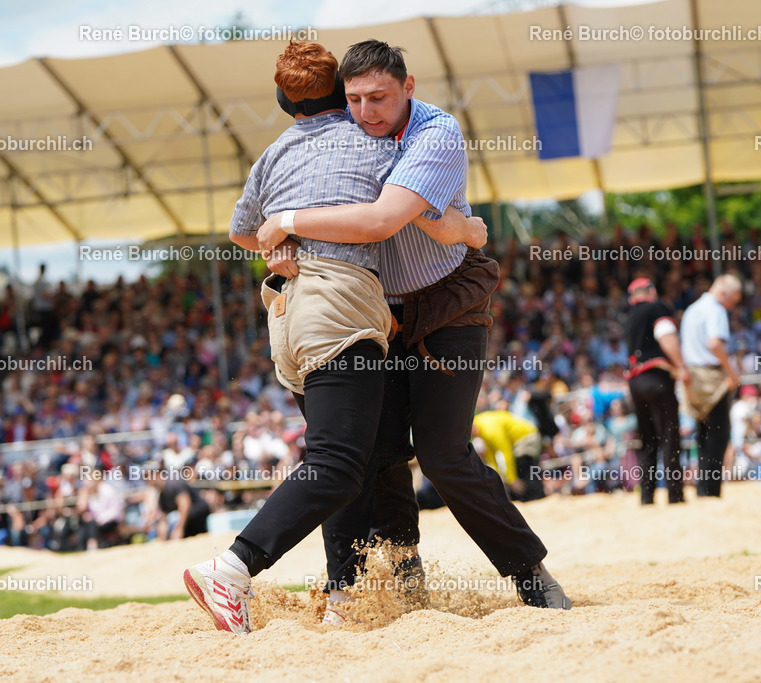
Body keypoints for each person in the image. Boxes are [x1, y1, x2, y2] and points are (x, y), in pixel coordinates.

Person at [257, 40, 569, 617]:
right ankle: (403, 581)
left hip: (447, 300)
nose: (366, 111)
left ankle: (529, 572)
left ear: (409, 87)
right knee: (377, 453)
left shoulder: (436, 133)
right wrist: (282, 244)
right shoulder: (343, 137)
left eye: (379, 97)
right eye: (354, 99)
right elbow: (263, 217)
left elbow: (381, 219)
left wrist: (289, 221)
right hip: (377, 308)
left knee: (442, 452)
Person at [183, 41, 484, 635]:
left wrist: (284, 238)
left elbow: (242, 232)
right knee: (342, 463)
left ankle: (344, 597)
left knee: (352, 453)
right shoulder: (377, 144)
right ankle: (234, 568)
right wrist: (471, 230)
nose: (367, 109)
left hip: (284, 312)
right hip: (340, 307)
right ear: (341, 98)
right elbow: (401, 218)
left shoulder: (272, 154)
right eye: (357, 98)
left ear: (283, 101)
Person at [623, 278, 690, 505]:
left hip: (635, 381)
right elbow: (665, 335)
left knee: (647, 440)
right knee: (669, 436)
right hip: (657, 377)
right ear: (651, 291)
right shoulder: (657, 307)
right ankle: (675, 494)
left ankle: (646, 496)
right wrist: (681, 366)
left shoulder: (629, 317)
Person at [680, 274, 742, 497]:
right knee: (718, 432)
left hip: (693, 376)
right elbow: (715, 343)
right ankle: (711, 490)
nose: (731, 306)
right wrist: (732, 372)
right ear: (723, 293)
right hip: (711, 376)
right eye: (732, 301)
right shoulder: (715, 310)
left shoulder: (691, 310)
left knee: (703, 432)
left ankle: (703, 488)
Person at [472, 409, 546, 501]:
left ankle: (535, 495)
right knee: (518, 468)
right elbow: (491, 456)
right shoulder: (481, 425)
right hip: (521, 440)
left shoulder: (489, 429)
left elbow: (506, 452)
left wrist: (512, 480)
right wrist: (497, 477)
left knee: (521, 465)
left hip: (527, 437)